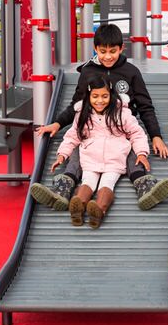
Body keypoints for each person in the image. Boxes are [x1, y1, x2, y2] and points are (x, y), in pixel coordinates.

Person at [31, 23, 168, 212]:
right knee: (80, 149)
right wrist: (57, 123)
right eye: (103, 51)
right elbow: (77, 104)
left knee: (132, 150)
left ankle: (145, 186)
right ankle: (62, 190)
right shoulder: (89, 72)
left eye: (113, 51)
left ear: (121, 48)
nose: (108, 56)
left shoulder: (131, 72)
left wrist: (156, 135)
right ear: (95, 48)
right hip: (92, 124)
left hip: (122, 124)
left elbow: (145, 106)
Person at [52, 75, 150, 228]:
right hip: (90, 157)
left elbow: (137, 134)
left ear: (111, 95)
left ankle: (98, 209)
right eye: (95, 96)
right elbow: (72, 136)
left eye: (104, 96)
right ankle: (78, 206)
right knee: (88, 182)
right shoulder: (82, 114)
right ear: (89, 96)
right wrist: (62, 155)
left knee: (107, 184)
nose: (100, 100)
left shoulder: (122, 113)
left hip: (114, 158)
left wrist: (142, 153)